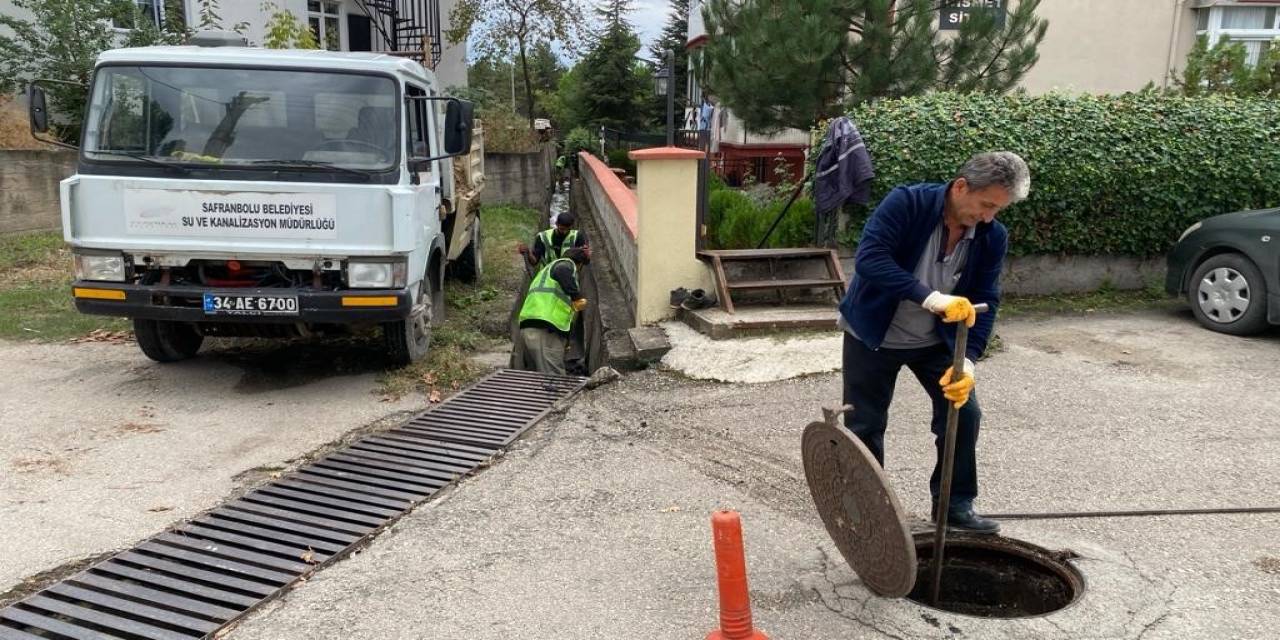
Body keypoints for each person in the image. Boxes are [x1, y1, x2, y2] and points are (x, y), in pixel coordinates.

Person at [837, 151, 1030, 535]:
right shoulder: (907, 203)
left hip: (933, 341)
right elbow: (870, 260)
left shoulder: (992, 236)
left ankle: (954, 506)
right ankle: (868, 512)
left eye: (999, 209)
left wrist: (970, 360)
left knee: (964, 414)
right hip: (873, 333)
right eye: (986, 204)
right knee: (865, 424)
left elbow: (986, 300)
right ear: (961, 187)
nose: (989, 216)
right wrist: (931, 298)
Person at [517, 247, 590, 375]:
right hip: (546, 329)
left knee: (533, 379)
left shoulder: (545, 272)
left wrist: (566, 340)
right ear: (579, 264)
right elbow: (563, 270)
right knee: (553, 380)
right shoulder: (566, 264)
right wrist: (577, 297)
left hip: (529, 327)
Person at [518, 211, 589, 272]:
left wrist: (586, 255)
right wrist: (528, 252)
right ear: (556, 224)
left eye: (568, 229)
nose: (565, 232)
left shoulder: (577, 237)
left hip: (567, 277)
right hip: (547, 276)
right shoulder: (543, 237)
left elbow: (585, 262)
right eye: (562, 229)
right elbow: (534, 262)